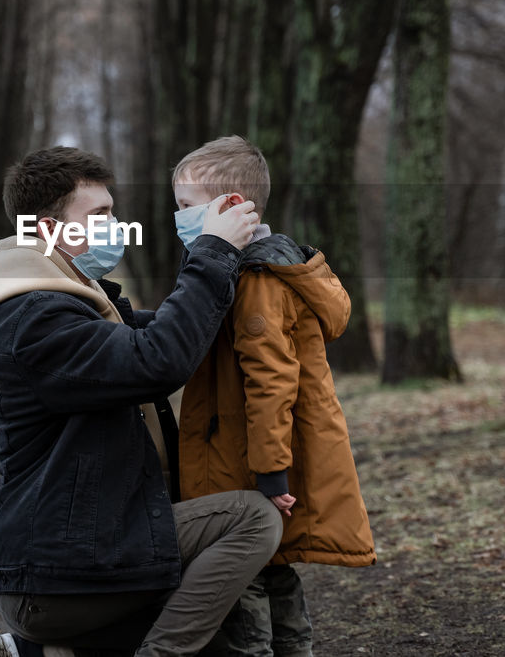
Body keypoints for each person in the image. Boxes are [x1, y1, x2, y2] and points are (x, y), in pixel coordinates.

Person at [0, 146, 284, 657]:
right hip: (59, 573)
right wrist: (213, 251)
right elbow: (157, 361)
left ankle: (53, 653)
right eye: (101, 215)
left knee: (221, 641)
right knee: (252, 519)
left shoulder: (70, 299)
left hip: (84, 550)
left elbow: (168, 332)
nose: (116, 226)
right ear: (47, 229)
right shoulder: (35, 317)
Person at [171, 136, 376, 657]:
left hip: (247, 463)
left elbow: (271, 381)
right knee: (275, 574)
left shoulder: (255, 280)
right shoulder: (255, 270)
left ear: (233, 206)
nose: (179, 219)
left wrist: (269, 472)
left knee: (242, 589)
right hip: (253, 457)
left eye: (187, 208)